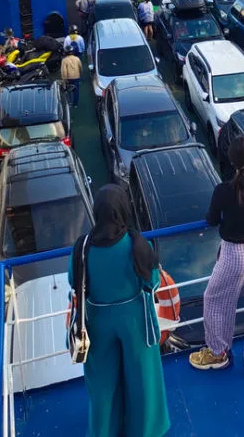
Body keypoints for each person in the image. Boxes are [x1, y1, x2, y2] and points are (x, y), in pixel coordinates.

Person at [69, 185, 170, 437]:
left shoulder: (82, 247)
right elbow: (152, 282)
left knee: (102, 382)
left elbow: (75, 282)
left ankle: (103, 431)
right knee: (142, 378)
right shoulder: (136, 244)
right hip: (134, 319)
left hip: (97, 320)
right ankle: (145, 430)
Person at [189, 136, 244, 378]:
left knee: (215, 299)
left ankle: (218, 353)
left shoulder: (224, 191)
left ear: (232, 160)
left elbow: (212, 219)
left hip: (235, 253)